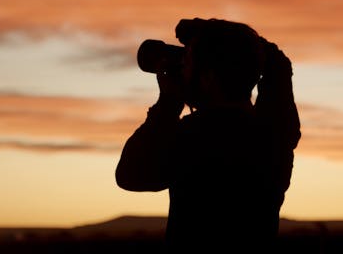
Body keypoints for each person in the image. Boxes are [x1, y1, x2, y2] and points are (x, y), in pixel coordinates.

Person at [115, 18, 301, 253]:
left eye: (189, 62)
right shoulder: (274, 132)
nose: (182, 69)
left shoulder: (196, 137)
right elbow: (278, 65)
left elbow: (130, 174)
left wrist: (169, 102)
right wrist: (219, 36)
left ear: (209, 77)